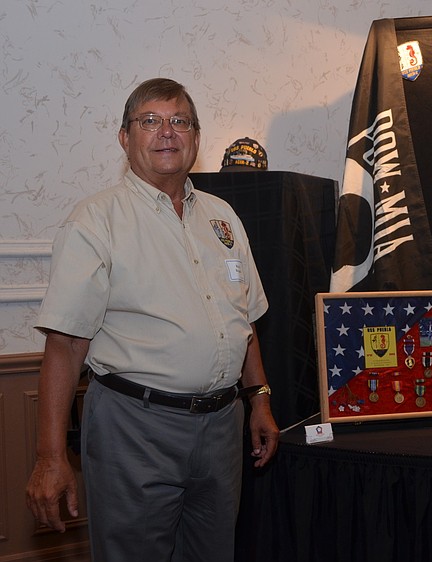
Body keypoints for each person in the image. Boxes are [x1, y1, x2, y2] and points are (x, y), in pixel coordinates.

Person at [25, 78, 279, 562]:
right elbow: (64, 346)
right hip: (133, 428)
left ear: (196, 137)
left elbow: (243, 321)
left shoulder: (224, 218)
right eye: (150, 121)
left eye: (179, 121)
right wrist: (49, 457)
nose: (167, 132)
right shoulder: (95, 221)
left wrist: (260, 399)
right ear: (125, 138)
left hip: (224, 426)